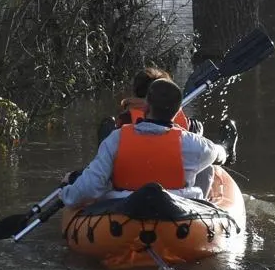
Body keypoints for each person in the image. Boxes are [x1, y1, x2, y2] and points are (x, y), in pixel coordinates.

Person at [63, 78, 227, 207]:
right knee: (209, 169)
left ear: (146, 107)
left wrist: (66, 192)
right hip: (178, 215)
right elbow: (218, 154)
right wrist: (224, 150)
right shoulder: (195, 144)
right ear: (178, 111)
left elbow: (90, 187)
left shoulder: (115, 139)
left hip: (122, 212)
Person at [97, 66, 196, 143]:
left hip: (134, 162)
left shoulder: (124, 119)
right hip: (171, 162)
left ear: (135, 92)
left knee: (107, 125)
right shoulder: (190, 125)